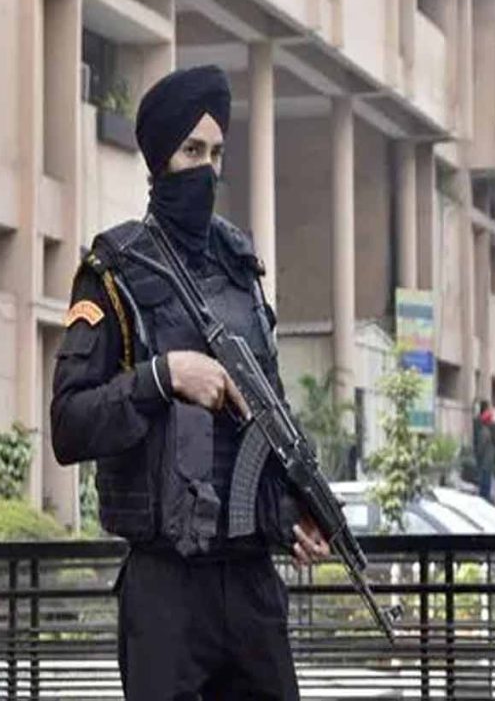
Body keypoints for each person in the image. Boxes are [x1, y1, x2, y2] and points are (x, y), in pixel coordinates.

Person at [50, 65, 329, 700]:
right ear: (159, 160)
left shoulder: (241, 267)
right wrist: (161, 376)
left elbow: (267, 417)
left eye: (217, 152)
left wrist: (292, 511)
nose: (206, 169)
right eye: (191, 151)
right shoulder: (113, 271)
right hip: (167, 592)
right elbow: (67, 424)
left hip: (252, 586)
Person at [472, 400, 495, 503]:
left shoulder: (481, 426)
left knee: (486, 484)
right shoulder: (484, 429)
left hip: (486, 461)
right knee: (485, 485)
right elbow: (481, 447)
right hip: (485, 462)